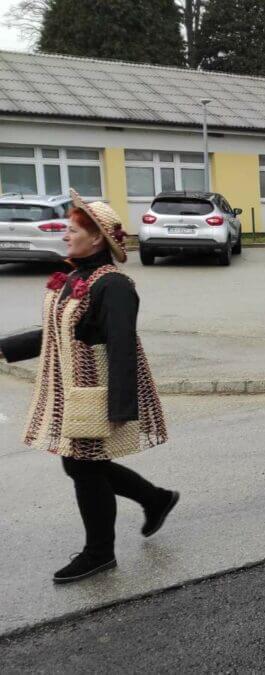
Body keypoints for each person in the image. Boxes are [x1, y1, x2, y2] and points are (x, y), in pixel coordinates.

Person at [0, 190, 173, 584]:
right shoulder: (77, 277)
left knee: (82, 466)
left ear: (96, 239)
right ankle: (155, 499)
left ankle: (100, 552)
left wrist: (121, 408)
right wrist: (5, 348)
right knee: (80, 464)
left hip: (95, 393)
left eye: (73, 230)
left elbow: (123, 346)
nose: (65, 235)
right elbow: (56, 333)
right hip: (72, 390)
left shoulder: (113, 285)